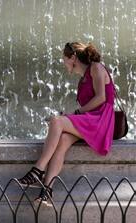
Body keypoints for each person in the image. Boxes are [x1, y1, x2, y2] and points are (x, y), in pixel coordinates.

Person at [17, 42, 115, 206]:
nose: (63, 63)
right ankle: (46, 192)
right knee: (62, 140)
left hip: (101, 120)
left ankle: (38, 170)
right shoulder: (83, 79)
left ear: (73, 57)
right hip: (91, 120)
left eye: (64, 59)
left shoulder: (96, 67)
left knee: (56, 121)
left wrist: (75, 114)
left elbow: (101, 98)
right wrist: (73, 116)